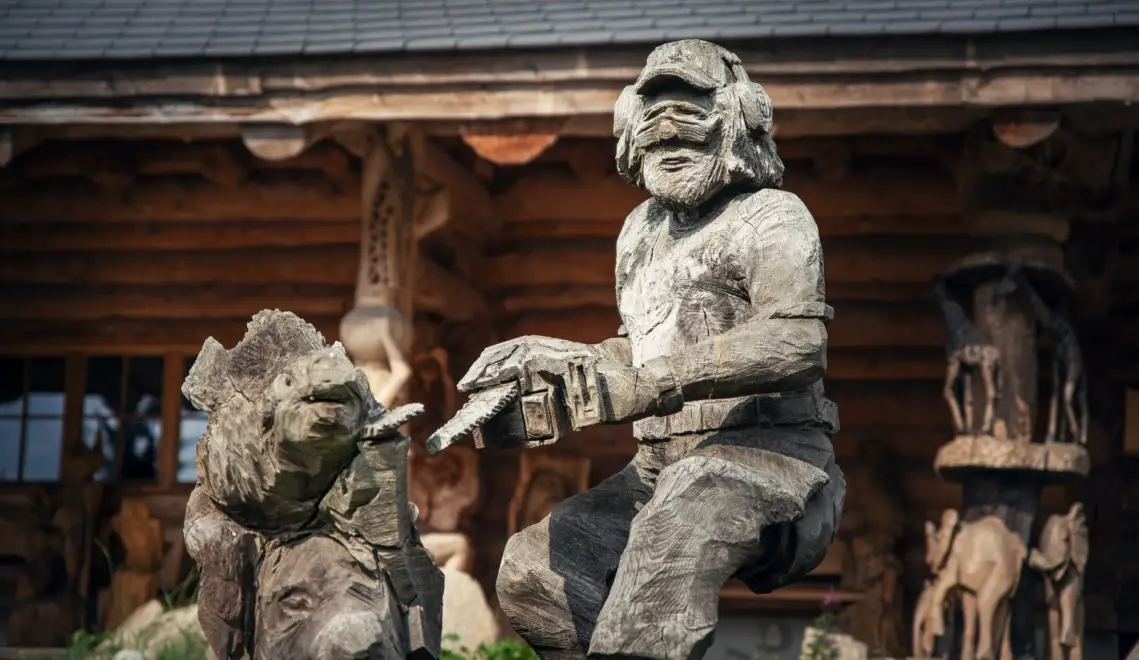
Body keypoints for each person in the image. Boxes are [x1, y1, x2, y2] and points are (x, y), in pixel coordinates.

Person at [483, 40, 845, 660]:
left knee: (673, 532)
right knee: (534, 569)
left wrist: (653, 384)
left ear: (736, 116)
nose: (668, 130)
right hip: (657, 471)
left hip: (773, 458)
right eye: (653, 118)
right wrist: (561, 364)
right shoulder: (639, 233)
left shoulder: (773, 216)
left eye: (690, 113)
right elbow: (644, 348)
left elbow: (799, 341)